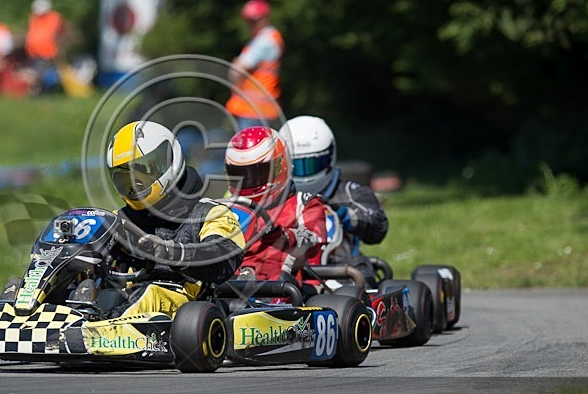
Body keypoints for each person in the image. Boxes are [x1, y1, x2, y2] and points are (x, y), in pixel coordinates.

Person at [101, 120, 245, 317]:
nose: (134, 186)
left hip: (190, 306)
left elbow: (223, 258)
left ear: (168, 162)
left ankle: (95, 333)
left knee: (149, 295)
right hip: (125, 300)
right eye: (125, 179)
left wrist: (172, 253)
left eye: (143, 173)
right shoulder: (117, 220)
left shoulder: (210, 213)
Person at [279, 115, 389, 287]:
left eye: (310, 165)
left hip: (341, 273)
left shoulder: (350, 192)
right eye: (297, 166)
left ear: (329, 156)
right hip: (287, 272)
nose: (304, 175)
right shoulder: (277, 199)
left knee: (360, 273)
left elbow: (378, 227)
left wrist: (347, 216)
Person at [224, 126, 327, 284]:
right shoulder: (228, 209)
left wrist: (284, 236)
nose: (248, 182)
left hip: (285, 288)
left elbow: (313, 236)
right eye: (240, 175)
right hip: (230, 285)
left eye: (256, 173)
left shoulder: (305, 203)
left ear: (280, 167)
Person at [225, 0, 284, 130]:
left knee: (248, 150)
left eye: (254, 20)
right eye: (248, 21)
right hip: (258, 111)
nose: (250, 25)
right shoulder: (265, 39)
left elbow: (237, 69)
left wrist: (237, 88)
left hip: (254, 112)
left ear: (265, 18)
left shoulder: (265, 41)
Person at [24, 0, 67, 95]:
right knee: (36, 72)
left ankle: (43, 90)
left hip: (47, 51)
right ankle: (38, 90)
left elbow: (58, 32)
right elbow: (31, 33)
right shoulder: (33, 18)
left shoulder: (54, 17)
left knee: (42, 73)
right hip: (33, 51)